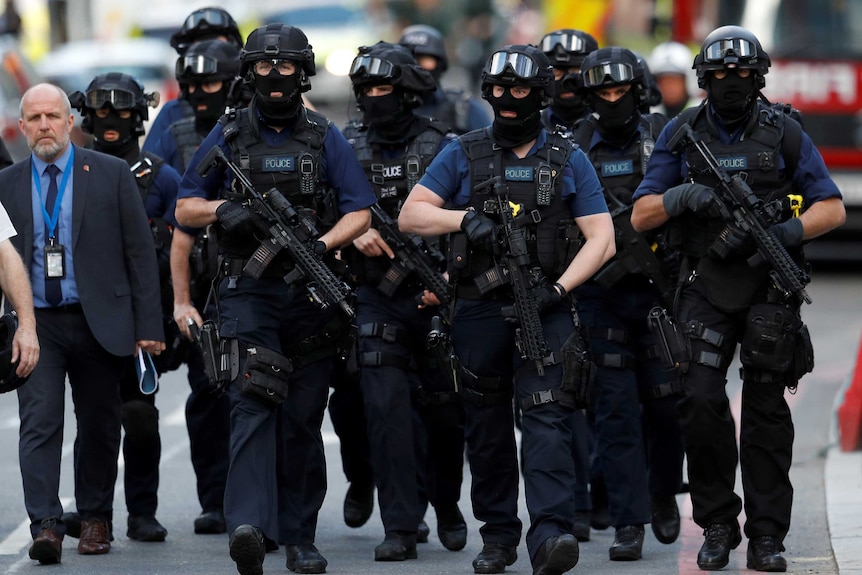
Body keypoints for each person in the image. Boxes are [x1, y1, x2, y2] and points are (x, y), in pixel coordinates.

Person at [630, 25, 846, 572]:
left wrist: (787, 235)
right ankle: (719, 523)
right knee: (701, 403)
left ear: (759, 78)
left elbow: (832, 207)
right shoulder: (682, 132)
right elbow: (641, 213)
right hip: (703, 285)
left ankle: (768, 534)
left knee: (767, 414)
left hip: (769, 290)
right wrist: (682, 196)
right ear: (703, 79)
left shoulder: (786, 133)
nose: (731, 83)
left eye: (743, 75)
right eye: (721, 74)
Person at [398, 44, 615, 575]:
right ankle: (497, 536)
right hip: (477, 309)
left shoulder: (568, 158)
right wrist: (464, 219)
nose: (507, 101)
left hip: (547, 308)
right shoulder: (463, 151)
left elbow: (602, 238)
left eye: (520, 91)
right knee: (486, 428)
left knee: (547, 421)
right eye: (497, 91)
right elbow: (411, 215)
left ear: (540, 96)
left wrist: (560, 290)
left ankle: (551, 534)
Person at [174, 24, 376, 575]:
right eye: (263, 67)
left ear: (303, 70)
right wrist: (222, 211)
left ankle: (300, 538)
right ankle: (248, 525)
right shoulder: (229, 135)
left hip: (309, 296)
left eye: (285, 66)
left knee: (302, 420)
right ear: (248, 72)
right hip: (247, 291)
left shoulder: (323, 135)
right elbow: (185, 208)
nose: (275, 76)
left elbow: (361, 210)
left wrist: (322, 242)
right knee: (250, 403)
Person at [1, 83, 164, 565]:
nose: (45, 126)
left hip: (101, 320)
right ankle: (46, 525)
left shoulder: (111, 173)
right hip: (38, 326)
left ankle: (95, 519)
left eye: (53, 116)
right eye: (35, 119)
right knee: (39, 422)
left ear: (71, 122)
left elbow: (140, 253)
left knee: (99, 424)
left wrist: (147, 325)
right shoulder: (7, 182)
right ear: (23, 126)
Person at [341, 40, 466, 561]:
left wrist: (449, 277)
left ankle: (446, 503)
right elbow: (320, 209)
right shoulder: (344, 145)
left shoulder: (446, 145)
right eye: (365, 89)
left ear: (408, 90)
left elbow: (471, 221)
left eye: (384, 87)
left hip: (436, 292)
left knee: (443, 412)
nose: (374, 97)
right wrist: (352, 233)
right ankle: (400, 524)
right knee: (385, 410)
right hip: (372, 296)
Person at [568, 46, 685, 561]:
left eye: (621, 92)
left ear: (637, 91)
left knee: (667, 407)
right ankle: (628, 521)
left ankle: (663, 490)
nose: (613, 101)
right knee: (614, 414)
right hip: (601, 295)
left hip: (660, 292)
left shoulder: (667, 134)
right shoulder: (574, 145)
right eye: (603, 94)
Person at [60, 73, 177, 543]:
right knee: (94, 417)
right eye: (102, 111)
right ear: (86, 115)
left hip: (142, 310)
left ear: (139, 114)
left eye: (123, 111)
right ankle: (93, 513)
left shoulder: (160, 174)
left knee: (140, 414)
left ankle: (141, 511)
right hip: (85, 313)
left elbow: (180, 241)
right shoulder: (70, 169)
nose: (111, 121)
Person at [143, 6, 244, 153]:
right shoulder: (173, 112)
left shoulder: (254, 106)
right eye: (200, 43)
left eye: (217, 42)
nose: (208, 49)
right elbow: (150, 167)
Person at [150, 39, 241, 174]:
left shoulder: (251, 131)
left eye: (209, 85)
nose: (199, 94)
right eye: (192, 86)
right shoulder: (174, 137)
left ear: (231, 87)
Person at [398, 24, 491, 135]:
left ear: (440, 64)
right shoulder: (385, 110)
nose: (416, 66)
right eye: (409, 60)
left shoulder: (465, 111)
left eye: (425, 60)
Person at [538, 28, 598, 132]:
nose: (566, 82)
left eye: (575, 72)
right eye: (556, 73)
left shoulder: (611, 126)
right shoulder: (530, 129)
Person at [649, 41, 698, 119]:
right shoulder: (649, 114)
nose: (668, 88)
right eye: (663, 81)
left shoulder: (701, 114)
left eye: (674, 81)